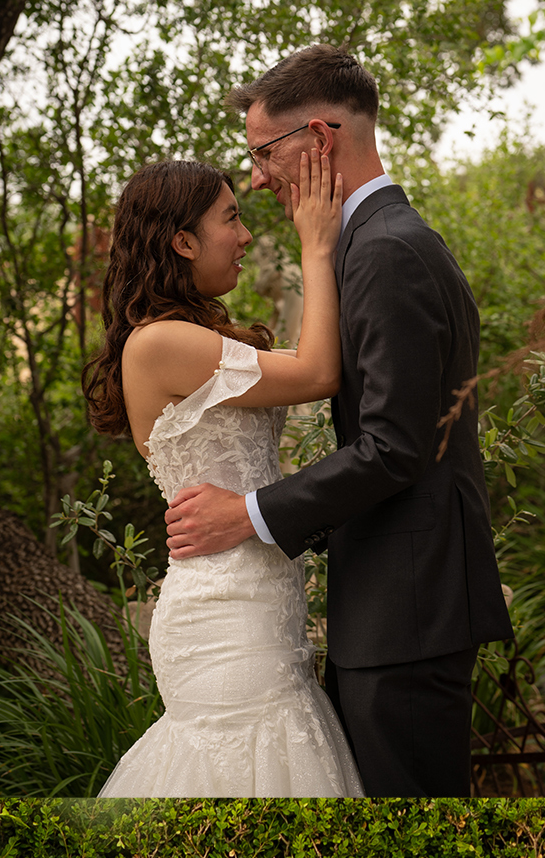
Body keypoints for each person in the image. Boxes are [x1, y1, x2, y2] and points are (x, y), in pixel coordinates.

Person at [164, 44, 514, 797]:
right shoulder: (367, 244)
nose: (256, 177)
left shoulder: (386, 251)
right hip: (397, 603)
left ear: (319, 140)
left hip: (410, 610)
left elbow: (393, 447)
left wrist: (249, 514)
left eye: (264, 152)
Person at [83, 151, 363, 796]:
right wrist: (315, 248)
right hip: (227, 623)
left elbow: (317, 358)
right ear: (183, 241)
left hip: (262, 607)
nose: (244, 237)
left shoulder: (196, 339)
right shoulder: (159, 343)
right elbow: (321, 373)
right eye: (230, 220)